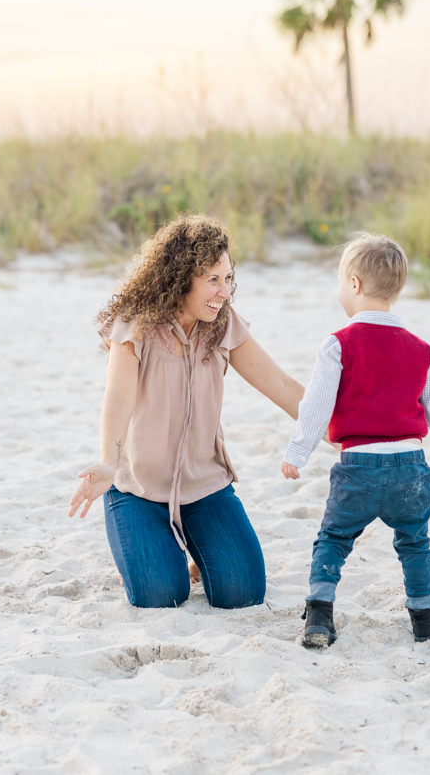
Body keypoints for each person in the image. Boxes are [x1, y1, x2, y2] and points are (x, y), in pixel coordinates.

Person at [68, 213, 304, 610]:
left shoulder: (223, 325)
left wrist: (340, 429)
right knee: (162, 594)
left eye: (228, 278)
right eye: (212, 279)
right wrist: (109, 462)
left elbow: (279, 385)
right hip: (138, 490)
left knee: (242, 591)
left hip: (204, 486)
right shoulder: (135, 325)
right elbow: (118, 398)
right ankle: (164, 549)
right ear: (181, 278)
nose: (224, 292)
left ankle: (193, 554)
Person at [281, 233, 430, 648]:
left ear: (353, 284)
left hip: (358, 467)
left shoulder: (338, 344)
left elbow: (316, 404)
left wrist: (297, 452)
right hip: (410, 467)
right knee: (415, 543)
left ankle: (319, 614)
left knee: (334, 539)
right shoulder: (425, 351)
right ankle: (424, 615)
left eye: (340, 282)